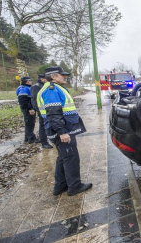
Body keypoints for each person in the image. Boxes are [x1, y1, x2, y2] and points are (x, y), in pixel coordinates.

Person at [37, 66, 92, 196]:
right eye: (62, 75)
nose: (65, 76)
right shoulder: (51, 90)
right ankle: (74, 186)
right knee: (71, 157)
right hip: (62, 130)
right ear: (53, 76)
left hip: (61, 128)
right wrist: (62, 132)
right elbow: (53, 114)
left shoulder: (52, 88)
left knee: (63, 157)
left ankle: (60, 186)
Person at [30, 74, 52, 149]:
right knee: (43, 126)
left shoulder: (44, 86)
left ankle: (50, 139)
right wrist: (38, 109)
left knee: (49, 125)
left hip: (48, 109)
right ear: (42, 79)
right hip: (42, 110)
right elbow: (34, 99)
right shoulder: (36, 87)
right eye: (46, 79)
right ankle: (44, 142)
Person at [16, 76, 39, 144]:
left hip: (28, 108)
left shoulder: (26, 88)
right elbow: (23, 100)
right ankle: (31, 138)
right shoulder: (23, 88)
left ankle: (27, 137)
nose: (31, 82)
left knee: (29, 123)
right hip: (28, 109)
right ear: (27, 81)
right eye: (30, 80)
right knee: (30, 123)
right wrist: (30, 109)